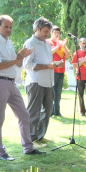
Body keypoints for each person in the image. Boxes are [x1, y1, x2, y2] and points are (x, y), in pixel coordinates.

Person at [0, 15, 44, 160]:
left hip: (11, 83)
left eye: (10, 27)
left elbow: (16, 64)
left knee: (24, 115)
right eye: (6, 27)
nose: (9, 30)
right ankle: (0, 152)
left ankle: (28, 148)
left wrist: (20, 57)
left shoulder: (8, 41)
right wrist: (17, 59)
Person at [23, 17, 57, 147]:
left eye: (48, 31)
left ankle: (40, 136)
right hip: (35, 83)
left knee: (48, 110)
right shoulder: (30, 43)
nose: (47, 34)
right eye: (45, 31)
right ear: (37, 29)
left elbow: (47, 63)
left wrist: (53, 65)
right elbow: (27, 64)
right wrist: (47, 66)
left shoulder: (47, 44)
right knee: (33, 112)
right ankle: (31, 139)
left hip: (48, 83)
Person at [48, 26, 70, 117]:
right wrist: (57, 46)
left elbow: (68, 55)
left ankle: (57, 111)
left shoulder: (62, 43)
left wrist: (63, 46)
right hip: (51, 70)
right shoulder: (48, 42)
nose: (57, 34)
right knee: (51, 92)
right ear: (51, 33)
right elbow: (49, 52)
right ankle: (50, 111)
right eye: (55, 32)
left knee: (58, 92)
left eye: (58, 33)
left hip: (60, 71)